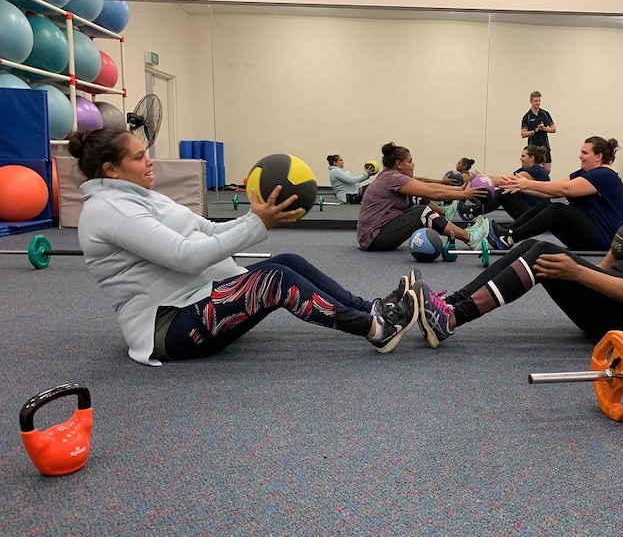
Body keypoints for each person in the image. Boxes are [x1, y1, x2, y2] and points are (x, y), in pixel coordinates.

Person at [71, 128, 420, 365]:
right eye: (138, 157)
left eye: (145, 153)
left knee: (287, 261)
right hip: (168, 327)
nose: (149, 161)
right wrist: (258, 223)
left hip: (197, 296)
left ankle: (371, 308)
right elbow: (186, 257)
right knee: (274, 280)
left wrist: (257, 216)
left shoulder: (142, 198)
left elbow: (206, 230)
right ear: (111, 171)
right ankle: (376, 329)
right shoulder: (110, 211)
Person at [410, 141, 623, 351]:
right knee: (533, 246)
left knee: (547, 252)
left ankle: (449, 319)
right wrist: (585, 283)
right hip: (619, 311)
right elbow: (608, 267)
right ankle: (449, 305)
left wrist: (577, 274)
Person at [487, 136, 623, 252]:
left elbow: (565, 189)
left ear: (598, 156)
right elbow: (551, 191)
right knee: (545, 205)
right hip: (591, 232)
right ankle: (507, 234)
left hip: (603, 238)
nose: (580, 156)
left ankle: (510, 237)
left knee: (557, 209)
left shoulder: (605, 174)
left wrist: (527, 183)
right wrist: (520, 186)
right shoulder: (586, 172)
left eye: (585, 153)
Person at [357, 142, 490, 251]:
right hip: (373, 238)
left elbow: (428, 187)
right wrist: (464, 194)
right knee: (422, 212)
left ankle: (463, 229)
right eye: (410, 161)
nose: (413, 165)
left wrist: (458, 189)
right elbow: (433, 193)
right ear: (398, 164)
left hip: (373, 235)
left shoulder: (390, 175)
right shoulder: (394, 178)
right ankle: (469, 237)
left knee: (417, 204)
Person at [481, 145, 551, 220]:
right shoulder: (526, 169)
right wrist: (483, 176)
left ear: (531, 158)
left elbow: (506, 182)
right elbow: (504, 177)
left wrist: (482, 181)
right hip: (532, 209)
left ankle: (472, 212)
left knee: (504, 193)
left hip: (536, 215)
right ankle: (473, 210)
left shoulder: (534, 171)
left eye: (523, 156)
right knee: (504, 192)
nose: (520, 159)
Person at [520, 90, 556, 174]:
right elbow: (523, 134)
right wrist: (535, 131)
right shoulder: (527, 117)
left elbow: (553, 129)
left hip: (544, 145)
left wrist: (544, 128)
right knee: (531, 170)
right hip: (533, 147)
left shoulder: (545, 114)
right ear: (531, 101)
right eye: (536, 101)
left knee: (547, 170)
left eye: (539, 100)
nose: (538, 103)